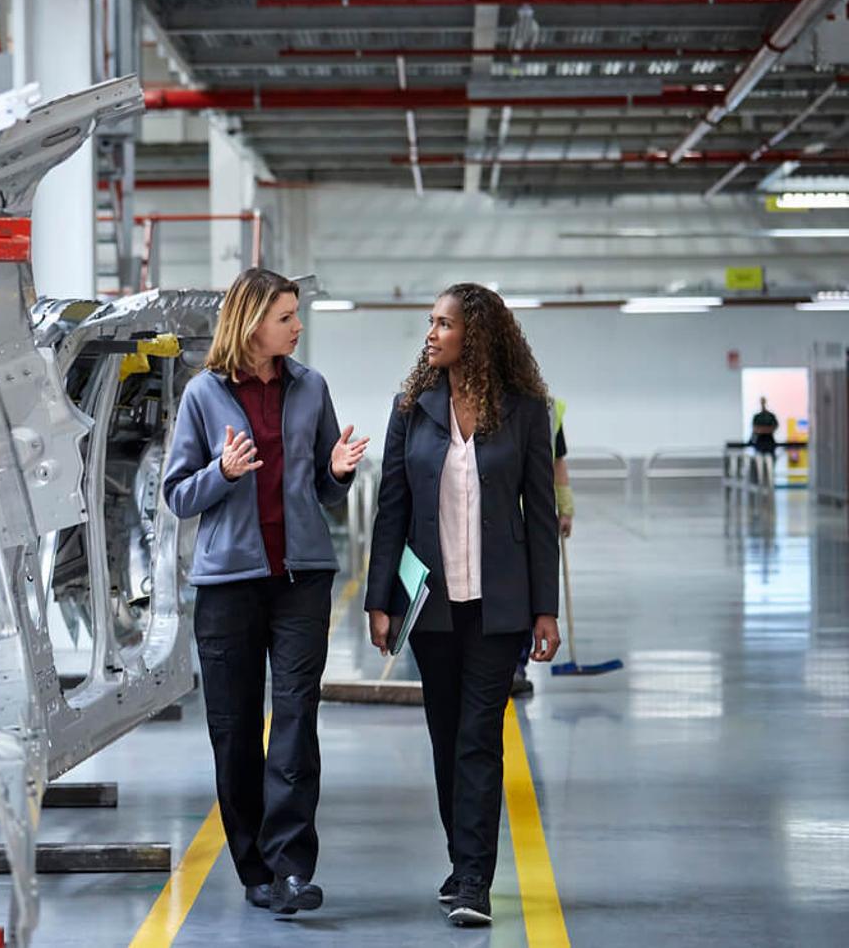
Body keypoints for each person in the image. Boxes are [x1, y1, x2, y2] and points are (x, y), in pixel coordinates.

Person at [162, 268, 369, 916]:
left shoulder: (312, 388)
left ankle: (292, 867)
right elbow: (177, 494)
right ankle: (254, 867)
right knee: (235, 729)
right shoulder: (203, 394)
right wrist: (222, 473)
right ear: (252, 324)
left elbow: (325, 490)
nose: (297, 326)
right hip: (229, 585)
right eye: (286, 316)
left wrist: (337, 472)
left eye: (296, 314)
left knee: (297, 719)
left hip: (302, 578)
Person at [363, 283, 561, 927]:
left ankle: (474, 877)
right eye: (431, 323)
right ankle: (461, 861)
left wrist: (546, 609)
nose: (431, 334)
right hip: (432, 606)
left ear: (476, 335)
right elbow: (392, 508)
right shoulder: (411, 409)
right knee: (446, 738)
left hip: (499, 607)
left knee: (479, 738)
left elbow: (540, 515)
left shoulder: (526, 411)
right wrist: (380, 601)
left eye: (444, 324)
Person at [511, 400, 573, 698]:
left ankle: (517, 665)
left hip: (535, 514)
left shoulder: (549, 408)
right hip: (503, 513)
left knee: (527, 592)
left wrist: (566, 507)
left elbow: (557, 462)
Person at [750, 398, 779, 490]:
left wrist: (762, 430)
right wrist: (764, 430)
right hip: (760, 443)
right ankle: (760, 484)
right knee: (759, 465)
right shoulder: (757, 417)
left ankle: (769, 484)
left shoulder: (771, 416)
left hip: (769, 443)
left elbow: (773, 427)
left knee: (770, 465)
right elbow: (755, 429)